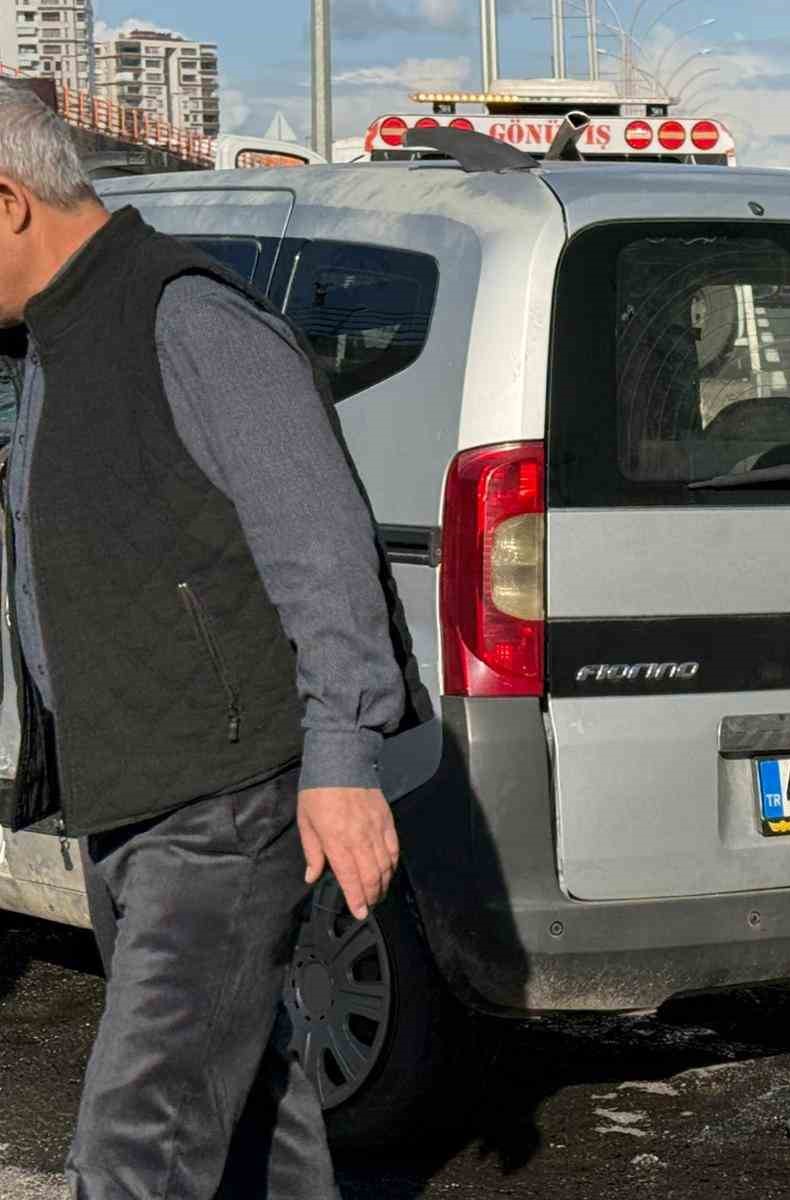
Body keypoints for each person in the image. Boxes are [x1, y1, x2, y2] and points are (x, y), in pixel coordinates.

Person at [0, 91, 430, 1197]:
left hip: (222, 804)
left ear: (6, 204)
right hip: (138, 802)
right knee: (248, 1123)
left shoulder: (183, 318)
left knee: (136, 1146)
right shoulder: (59, 337)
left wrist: (343, 764)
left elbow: (324, 549)